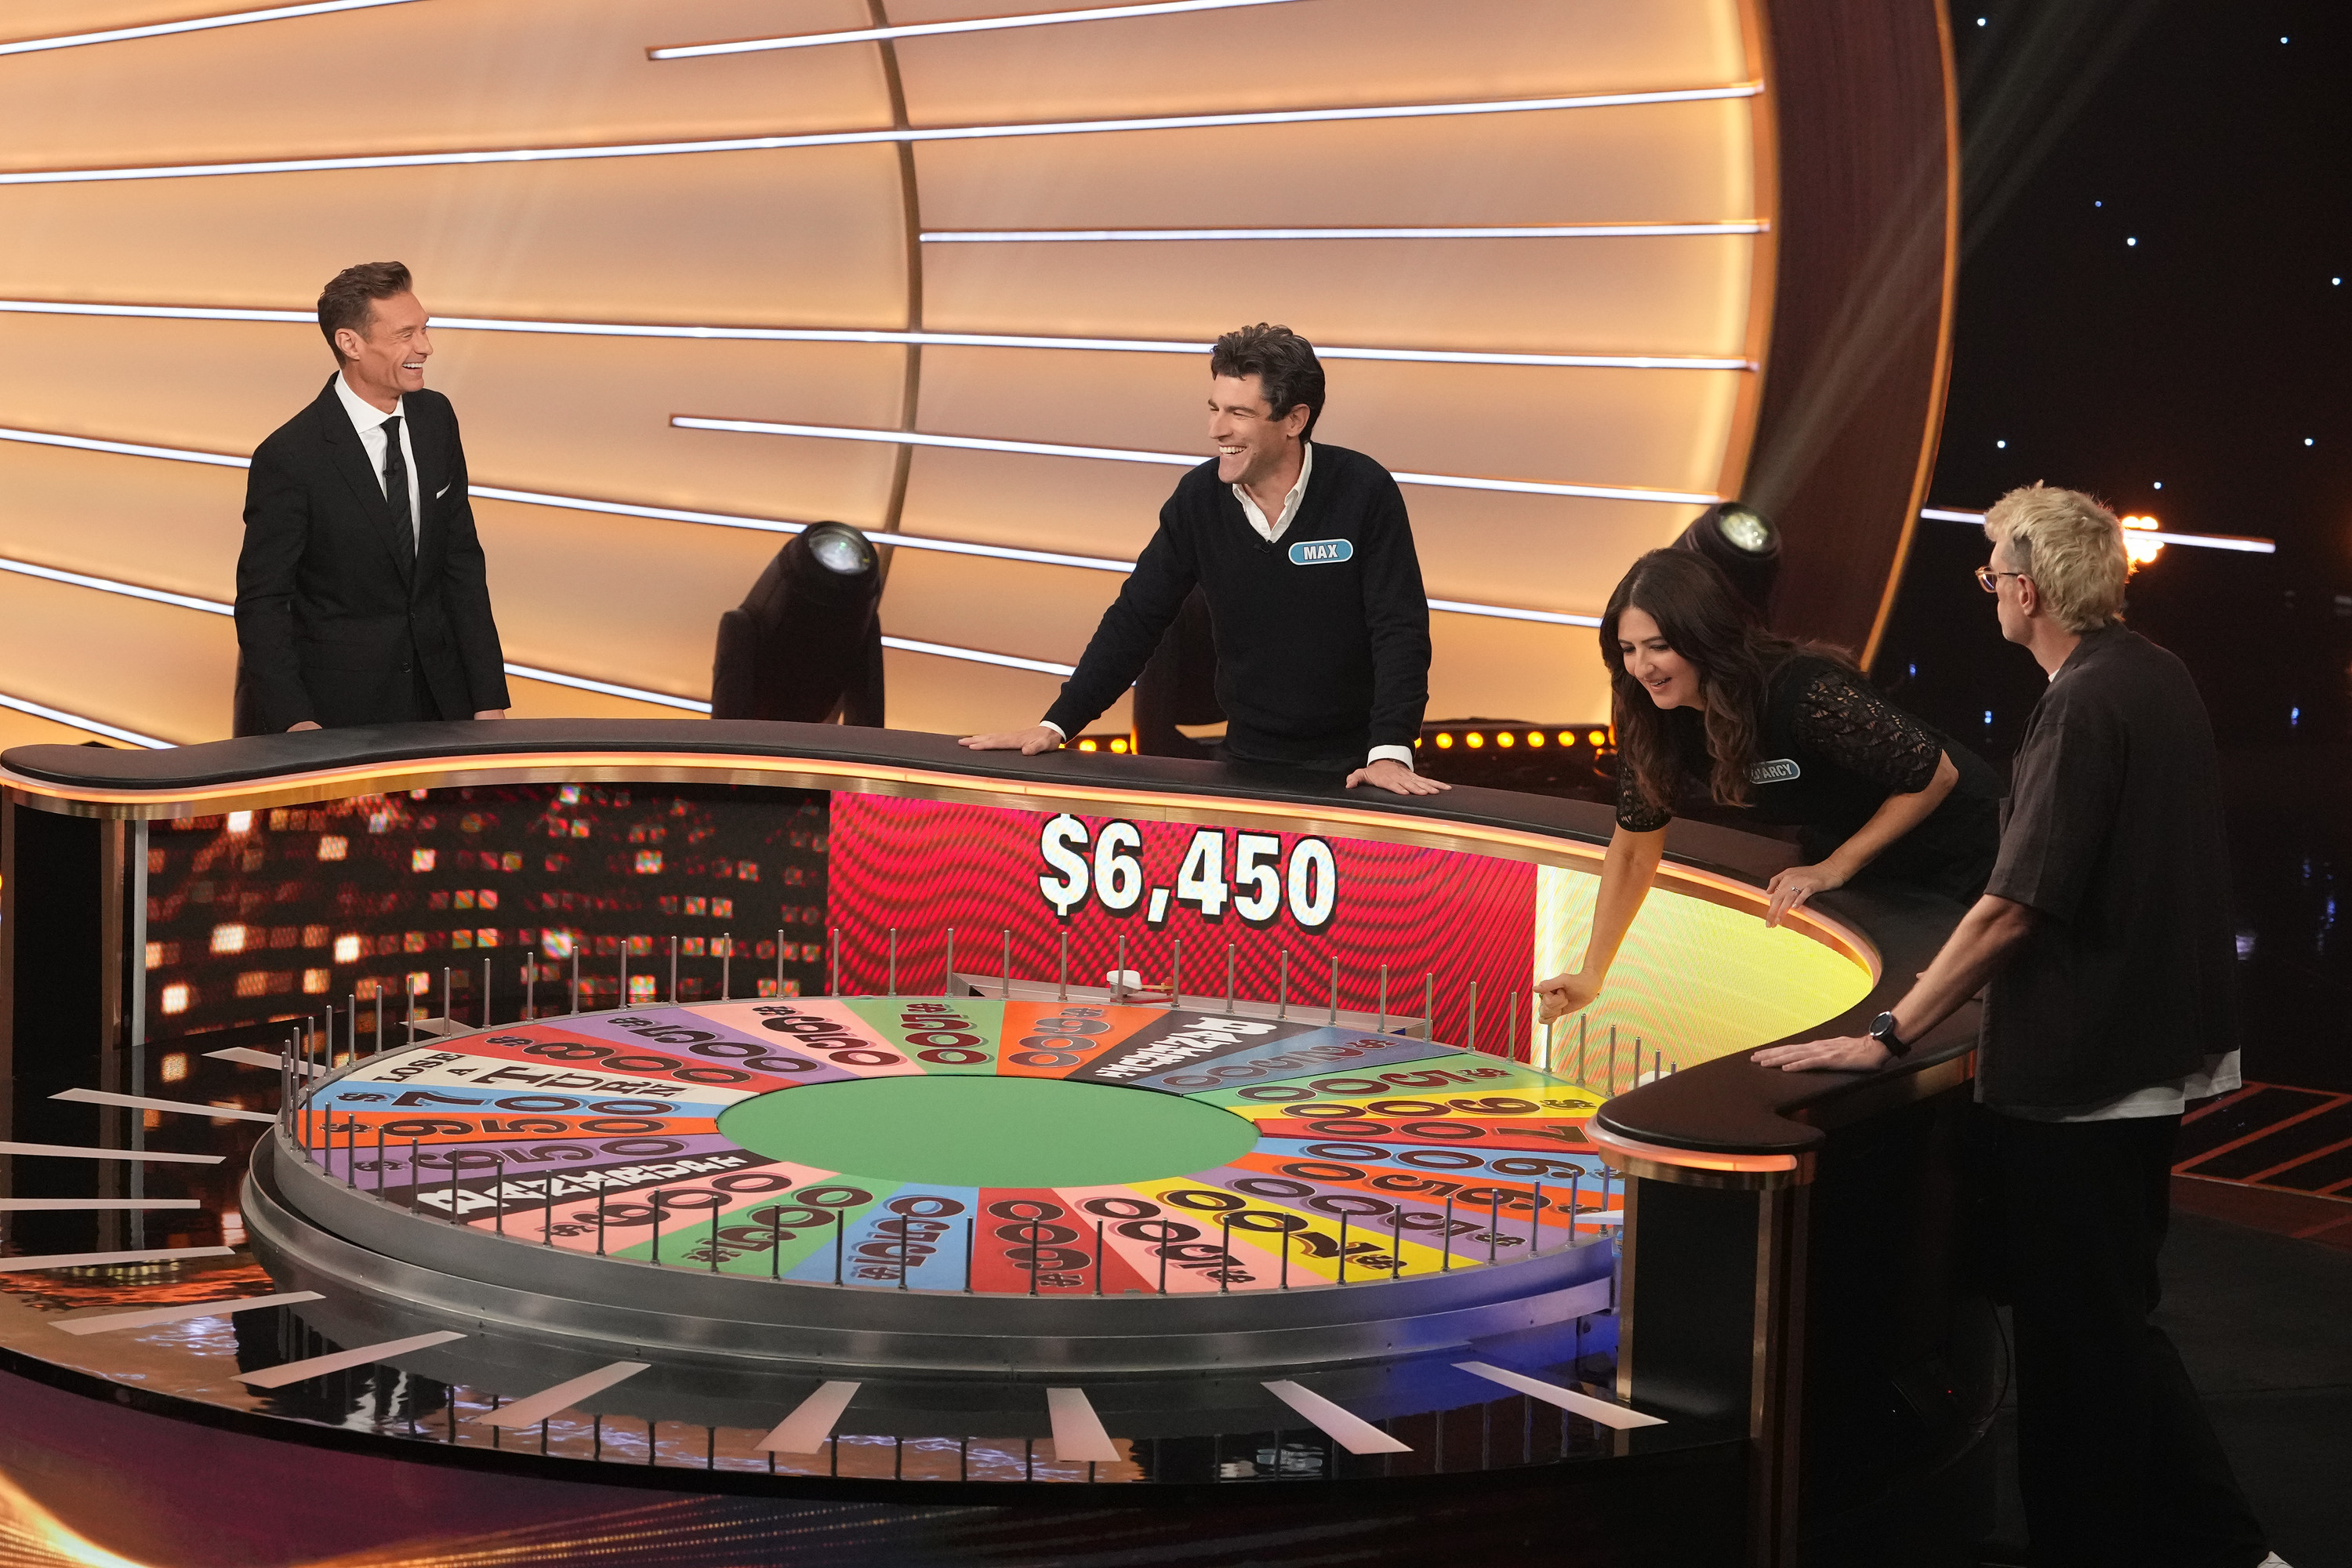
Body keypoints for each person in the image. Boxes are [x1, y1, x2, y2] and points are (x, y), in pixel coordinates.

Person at [1754, 486, 2279, 1568]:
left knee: (2077, 1345)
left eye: (1992, 570)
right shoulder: (2154, 670)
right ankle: (2223, 1545)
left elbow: (2012, 907)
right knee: (2110, 1326)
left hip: (2085, 1069)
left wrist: (1887, 1033)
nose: (1986, 586)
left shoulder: (2081, 702)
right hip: (2144, 1053)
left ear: (2028, 590)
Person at [959, 323, 1446, 796]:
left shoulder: (1363, 490)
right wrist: (1058, 724)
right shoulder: (1197, 499)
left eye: (1239, 413)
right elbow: (1136, 618)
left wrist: (1390, 750)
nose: (1216, 430)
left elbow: (1398, 628)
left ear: (1295, 420)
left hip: (1358, 764)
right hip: (1246, 759)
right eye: (1214, 409)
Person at [1537, 548, 1999, 1021]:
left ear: (1704, 637)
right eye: (1628, 649)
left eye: (1659, 647)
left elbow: (1936, 773)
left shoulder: (1803, 691)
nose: (1642, 668)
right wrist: (1593, 973)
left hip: (1957, 845)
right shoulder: (1648, 711)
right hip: (1859, 848)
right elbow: (1635, 849)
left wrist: (1835, 867)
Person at [234, 261, 510, 734]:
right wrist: (296, 722)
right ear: (350, 343)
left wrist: (487, 698)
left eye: (424, 329)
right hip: (340, 714)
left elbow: (462, 563)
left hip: (444, 699)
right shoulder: (290, 456)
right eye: (405, 335)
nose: (425, 347)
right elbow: (264, 602)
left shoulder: (436, 418)